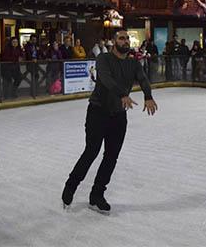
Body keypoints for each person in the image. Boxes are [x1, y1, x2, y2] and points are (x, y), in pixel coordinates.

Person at [62, 30, 158, 213]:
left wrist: (148, 95)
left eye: (127, 38)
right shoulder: (104, 59)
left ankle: (97, 194)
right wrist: (123, 94)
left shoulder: (133, 62)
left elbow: (143, 79)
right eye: (122, 38)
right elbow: (105, 79)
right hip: (98, 112)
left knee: (111, 156)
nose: (126, 41)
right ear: (114, 42)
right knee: (92, 151)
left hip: (119, 116)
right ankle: (71, 185)